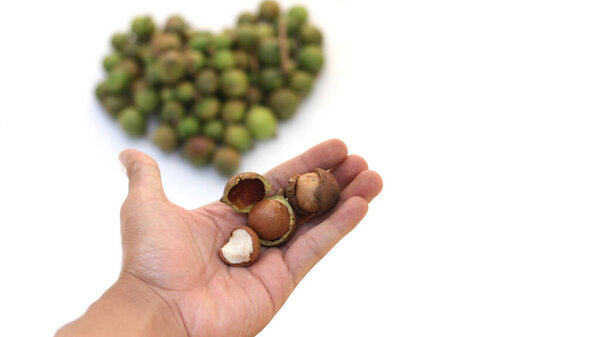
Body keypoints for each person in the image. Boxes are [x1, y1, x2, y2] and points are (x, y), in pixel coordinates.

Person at [55, 139, 383, 337]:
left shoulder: (284, 212)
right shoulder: (264, 205)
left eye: (310, 182)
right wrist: (150, 293)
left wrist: (153, 301)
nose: (305, 181)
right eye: (309, 179)